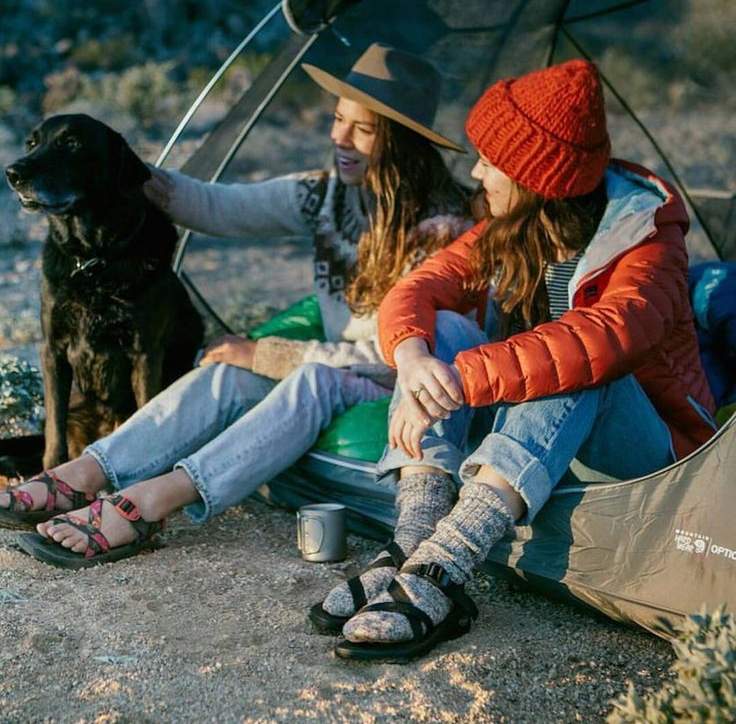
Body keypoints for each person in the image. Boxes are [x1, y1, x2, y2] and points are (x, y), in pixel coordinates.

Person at [0, 43, 472, 569]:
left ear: (401, 142)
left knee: (301, 377)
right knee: (223, 377)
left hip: (395, 382)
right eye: (338, 119)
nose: (339, 138)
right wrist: (115, 163)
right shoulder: (326, 195)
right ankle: (77, 476)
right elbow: (213, 205)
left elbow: (397, 357)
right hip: (338, 367)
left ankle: (146, 507)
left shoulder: (444, 230)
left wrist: (265, 353)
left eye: (362, 130)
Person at [318, 59, 717, 663]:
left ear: (535, 177)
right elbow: (418, 289)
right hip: (542, 434)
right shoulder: (514, 224)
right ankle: (412, 545)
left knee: (580, 366)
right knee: (445, 327)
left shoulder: (646, 241)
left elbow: (599, 341)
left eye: (489, 160)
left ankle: (446, 570)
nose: (475, 171)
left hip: (652, 453)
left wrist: (456, 379)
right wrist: (415, 355)